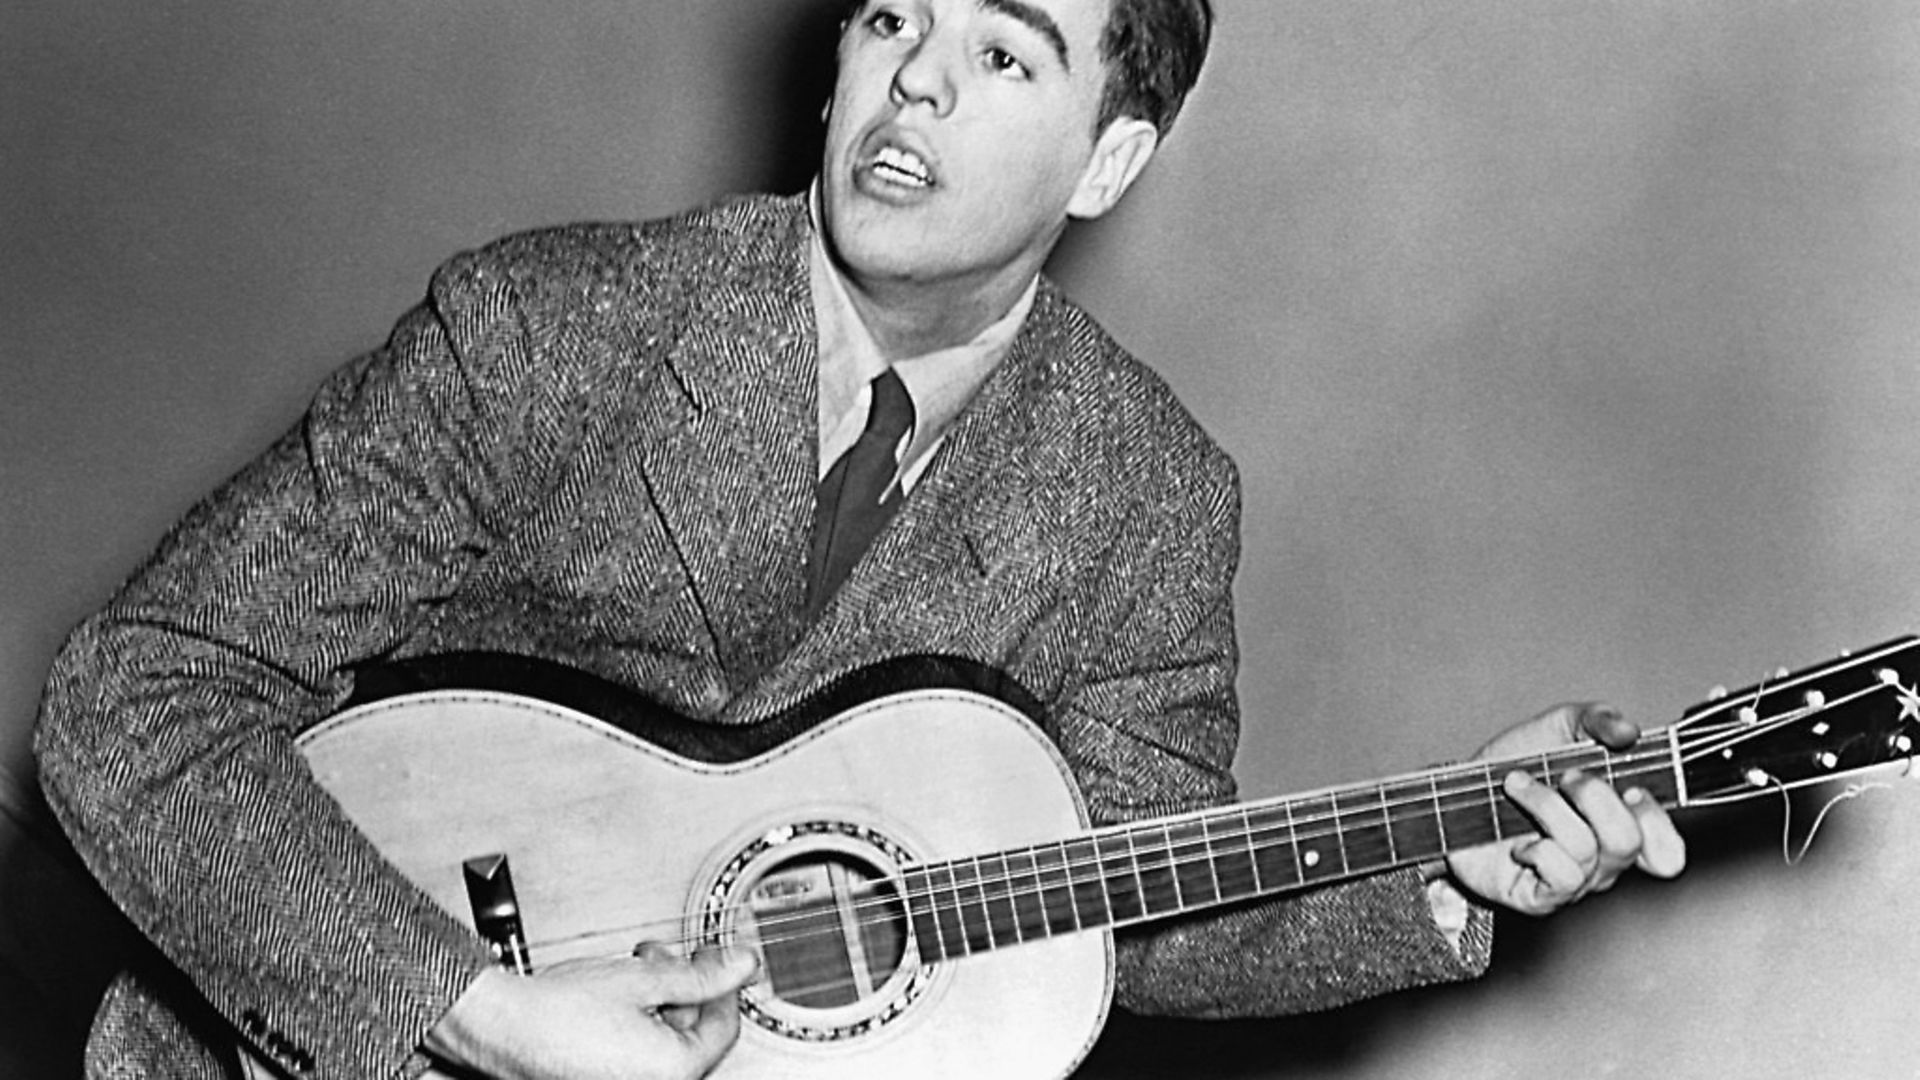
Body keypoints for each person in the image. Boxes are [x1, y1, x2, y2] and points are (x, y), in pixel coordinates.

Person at [34, 0, 1686, 1077]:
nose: (917, 80)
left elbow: (1118, 897)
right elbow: (130, 702)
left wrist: (1446, 864)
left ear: (1109, 158)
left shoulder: (1147, 495)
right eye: (896, 15)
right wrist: (488, 1013)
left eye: (1006, 55)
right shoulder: (553, 328)